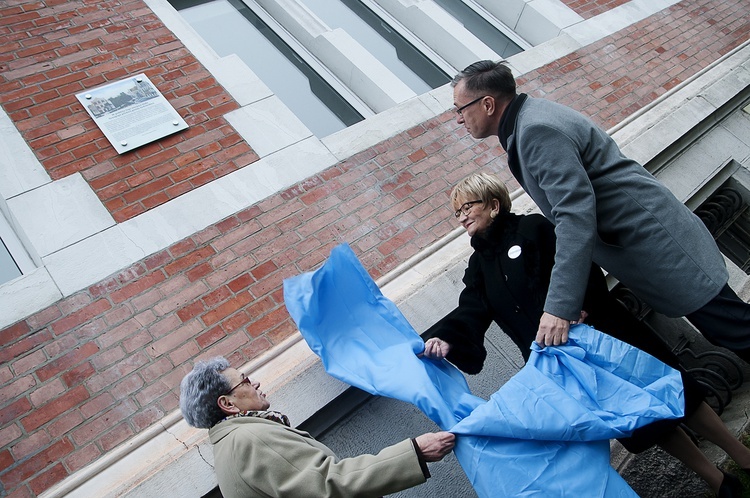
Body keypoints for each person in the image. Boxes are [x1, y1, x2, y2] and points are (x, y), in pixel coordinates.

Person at [421, 172, 750, 497]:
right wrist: (445, 339)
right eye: (457, 212)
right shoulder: (479, 266)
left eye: (467, 207)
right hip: (562, 363)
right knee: (638, 421)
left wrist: (576, 306)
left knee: (677, 396)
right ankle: (718, 481)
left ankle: (743, 457)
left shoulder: (533, 228)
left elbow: (577, 261)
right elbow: (470, 310)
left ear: (493, 205)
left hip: (605, 334)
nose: (461, 217)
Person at [449, 60, 750, 362]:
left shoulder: (534, 130)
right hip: (651, 246)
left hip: (658, 246)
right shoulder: (528, 122)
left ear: (487, 104)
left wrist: (559, 307)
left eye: (460, 109)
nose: (460, 120)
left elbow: (574, 216)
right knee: (731, 326)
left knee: (735, 329)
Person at [179, 356, 456, 498]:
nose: (256, 384)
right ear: (227, 404)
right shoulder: (250, 438)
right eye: (246, 380)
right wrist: (415, 452)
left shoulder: (230, 444)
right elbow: (327, 483)